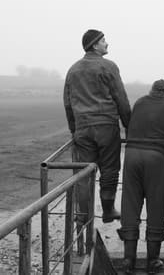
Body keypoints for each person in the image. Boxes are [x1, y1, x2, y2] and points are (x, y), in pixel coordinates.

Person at [63, 29, 131, 224]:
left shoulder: (73, 69)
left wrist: (74, 129)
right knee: (109, 169)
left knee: (84, 172)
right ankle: (108, 210)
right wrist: (128, 126)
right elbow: (121, 98)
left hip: (82, 128)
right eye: (103, 41)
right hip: (106, 125)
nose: (107, 44)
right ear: (94, 45)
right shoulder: (108, 66)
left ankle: (83, 214)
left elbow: (68, 102)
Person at [117, 79, 164, 274]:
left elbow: (130, 125)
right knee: (156, 205)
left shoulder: (139, 103)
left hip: (131, 155)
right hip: (156, 157)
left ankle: (128, 260)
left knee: (130, 203)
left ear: (151, 90)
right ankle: (152, 261)